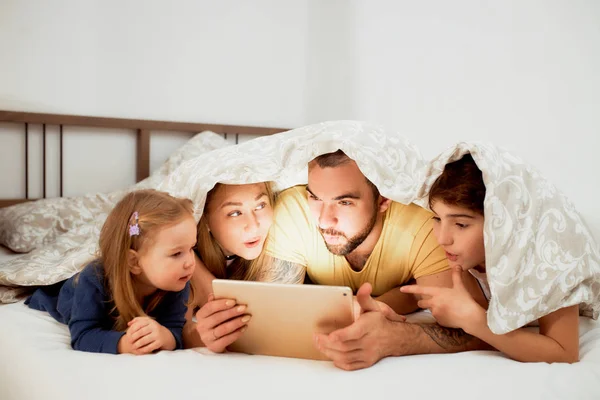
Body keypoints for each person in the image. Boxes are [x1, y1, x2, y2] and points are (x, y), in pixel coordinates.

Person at [244, 149, 491, 370]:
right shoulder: (294, 210)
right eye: (316, 198)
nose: (324, 220)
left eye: (345, 202)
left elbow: (475, 326)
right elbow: (268, 318)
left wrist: (396, 337)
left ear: (383, 199)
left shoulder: (425, 224)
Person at [400, 154, 580, 363]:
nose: (442, 239)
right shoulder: (462, 255)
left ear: (502, 224)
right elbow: (416, 291)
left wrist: (476, 322)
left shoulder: (549, 256)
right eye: (437, 219)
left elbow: (565, 353)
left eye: (461, 224)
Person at [26, 189, 197, 355]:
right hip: (67, 295)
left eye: (192, 248)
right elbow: (83, 336)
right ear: (134, 261)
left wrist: (165, 336)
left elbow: (175, 328)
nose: (190, 262)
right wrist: (123, 344)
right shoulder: (94, 281)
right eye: (176, 254)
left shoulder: (178, 281)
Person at [182, 182, 275, 350]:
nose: (254, 225)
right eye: (235, 213)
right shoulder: (183, 260)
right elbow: (180, 333)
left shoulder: (282, 239)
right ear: (206, 220)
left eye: (260, 205)